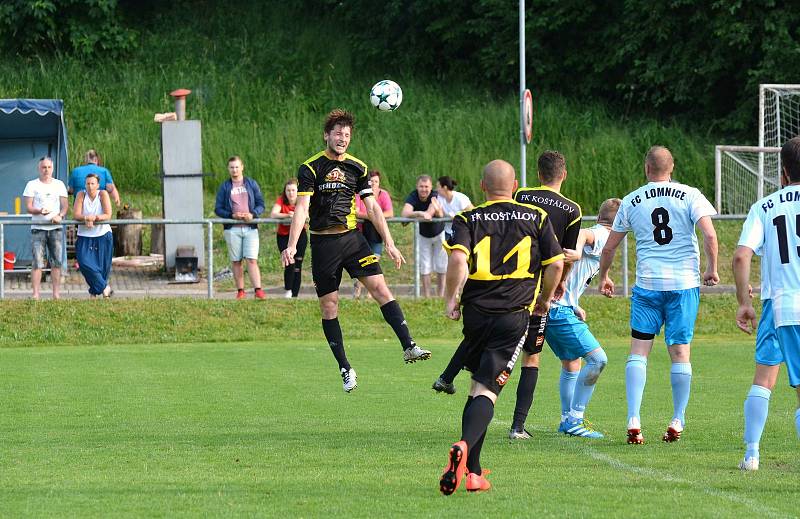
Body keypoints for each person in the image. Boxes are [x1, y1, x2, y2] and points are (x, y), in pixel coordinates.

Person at [431, 151, 581, 442]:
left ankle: (470, 463)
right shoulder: (548, 214)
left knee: (477, 381)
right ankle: (513, 427)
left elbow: (458, 261)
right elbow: (560, 260)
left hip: (476, 309)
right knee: (518, 368)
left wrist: (452, 299)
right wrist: (549, 296)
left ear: (482, 186)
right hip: (520, 308)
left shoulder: (472, 216)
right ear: (513, 186)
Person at [281, 108, 430, 392]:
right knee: (329, 306)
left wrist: (389, 241)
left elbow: (372, 207)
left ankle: (408, 345)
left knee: (381, 290)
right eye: (337, 133)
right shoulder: (310, 168)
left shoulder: (358, 168)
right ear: (327, 135)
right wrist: (291, 245)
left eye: (347, 134)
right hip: (323, 243)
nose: (342, 138)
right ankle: (345, 367)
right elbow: (301, 208)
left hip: (352, 240)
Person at [598, 145, 719, 444]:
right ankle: (678, 418)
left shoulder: (632, 200)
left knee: (639, 351)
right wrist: (712, 268)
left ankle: (634, 418)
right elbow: (710, 234)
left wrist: (604, 276)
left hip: (648, 285)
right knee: (680, 352)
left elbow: (610, 246)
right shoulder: (690, 194)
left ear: (646, 168)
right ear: (672, 167)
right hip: (682, 285)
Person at [733, 136, 800, 471]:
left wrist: (744, 301)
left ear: (783, 172)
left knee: (764, 379)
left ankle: (752, 454)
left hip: (780, 305)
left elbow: (742, 255)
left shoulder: (766, 206)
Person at [549, 198, 621, 438]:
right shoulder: (602, 234)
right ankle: (575, 419)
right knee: (598, 360)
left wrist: (575, 303)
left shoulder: (603, 235)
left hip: (558, 308)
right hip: (558, 311)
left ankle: (565, 419)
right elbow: (583, 234)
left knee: (572, 363)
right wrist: (578, 250)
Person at [214, 156, 267, 300]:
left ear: (242, 167)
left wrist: (253, 214)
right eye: (231, 167)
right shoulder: (225, 187)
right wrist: (232, 215)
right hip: (232, 229)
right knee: (236, 261)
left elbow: (261, 204)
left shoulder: (251, 184)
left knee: (252, 259)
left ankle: (258, 290)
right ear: (228, 169)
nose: (234, 170)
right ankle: (241, 291)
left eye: (237, 167)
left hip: (250, 228)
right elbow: (218, 209)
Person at [23, 156, 68, 300]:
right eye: (44, 167)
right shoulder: (31, 184)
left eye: (49, 167)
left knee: (56, 262)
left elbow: (65, 206)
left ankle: (56, 294)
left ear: (52, 168)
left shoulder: (59, 184)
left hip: (55, 228)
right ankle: (35, 295)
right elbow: (29, 207)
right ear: (39, 168)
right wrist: (39, 211)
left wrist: (60, 216)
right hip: (38, 228)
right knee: (37, 262)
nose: (46, 170)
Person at [401, 174, 446, 297]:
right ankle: (426, 296)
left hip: (439, 233)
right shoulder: (413, 195)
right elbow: (405, 213)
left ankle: (440, 296)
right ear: (417, 186)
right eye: (421, 186)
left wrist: (418, 214)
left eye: (426, 186)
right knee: (425, 266)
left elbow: (429, 214)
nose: (424, 189)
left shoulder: (434, 195)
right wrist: (419, 212)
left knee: (441, 265)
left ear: (431, 187)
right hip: (423, 235)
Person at [353, 170, 393, 299]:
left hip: (376, 234)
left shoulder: (383, 194)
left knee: (373, 261)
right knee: (363, 263)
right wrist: (371, 216)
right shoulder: (359, 195)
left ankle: (370, 294)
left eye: (376, 182)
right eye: (371, 182)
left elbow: (389, 213)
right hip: (361, 233)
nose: (374, 184)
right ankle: (357, 291)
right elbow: (357, 212)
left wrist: (375, 216)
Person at [73, 173, 113, 298]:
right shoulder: (81, 195)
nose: (90, 186)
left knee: (102, 266)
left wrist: (95, 218)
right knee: (84, 263)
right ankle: (105, 287)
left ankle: (94, 292)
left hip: (102, 234)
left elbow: (108, 214)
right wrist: (86, 218)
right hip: (84, 235)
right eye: (88, 183)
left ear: (98, 185)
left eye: (92, 183)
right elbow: (76, 214)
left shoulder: (103, 194)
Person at [271, 178, 307, 298]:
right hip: (283, 236)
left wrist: (297, 216)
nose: (291, 193)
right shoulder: (281, 200)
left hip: (299, 236)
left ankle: (295, 294)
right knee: (289, 262)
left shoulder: (302, 201)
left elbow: (308, 215)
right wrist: (287, 215)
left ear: (297, 191)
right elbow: (273, 214)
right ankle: (288, 290)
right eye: (288, 190)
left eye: (293, 190)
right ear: (285, 191)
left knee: (298, 265)